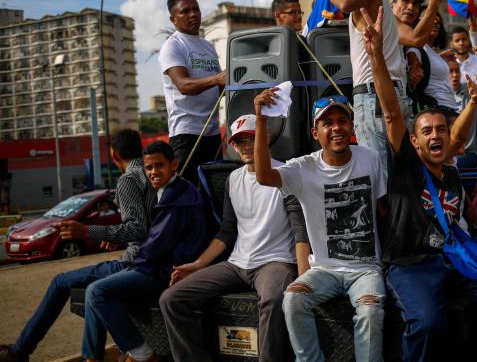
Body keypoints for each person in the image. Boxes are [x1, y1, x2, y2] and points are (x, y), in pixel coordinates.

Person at [360, 6, 477, 361]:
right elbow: (391, 110)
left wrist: (472, 102)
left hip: (454, 258)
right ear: (414, 142)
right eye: (426, 131)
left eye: (440, 129)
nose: (435, 135)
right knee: (428, 323)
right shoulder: (406, 166)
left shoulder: (454, 174)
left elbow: (460, 139)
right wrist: (376, 54)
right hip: (413, 266)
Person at [253, 90, 388, 362]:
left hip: (366, 269)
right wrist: (261, 120)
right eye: (328, 123)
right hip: (324, 270)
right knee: (292, 299)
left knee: (370, 311)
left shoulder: (370, 157)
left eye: (342, 120)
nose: (336, 127)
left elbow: (383, 211)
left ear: (351, 126)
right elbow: (264, 176)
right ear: (316, 133)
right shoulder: (303, 168)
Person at [159, 115, 306, 362]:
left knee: (273, 299)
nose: (246, 145)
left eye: (251, 138)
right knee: (171, 299)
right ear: (233, 146)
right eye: (239, 141)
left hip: (275, 262)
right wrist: (197, 265)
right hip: (237, 263)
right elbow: (227, 231)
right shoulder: (233, 179)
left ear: (265, 138)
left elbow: (300, 229)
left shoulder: (285, 173)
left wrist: (304, 274)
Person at [0, 130, 155, 362]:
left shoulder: (128, 179)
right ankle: (90, 357)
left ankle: (20, 351)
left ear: (114, 155)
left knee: (60, 282)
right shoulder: (150, 175)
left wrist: (87, 231)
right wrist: (116, 237)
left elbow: (138, 229)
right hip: (145, 256)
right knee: (93, 288)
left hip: (134, 262)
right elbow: (146, 226)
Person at [82, 141, 210, 362]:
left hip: (166, 271)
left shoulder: (178, 196)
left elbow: (157, 243)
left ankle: (142, 355)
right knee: (92, 292)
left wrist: (132, 262)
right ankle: (93, 358)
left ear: (174, 165)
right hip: (157, 264)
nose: (153, 172)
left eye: (159, 166)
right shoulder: (169, 190)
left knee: (97, 292)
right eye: (149, 168)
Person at [310, 0, 411, 169]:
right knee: (399, 172)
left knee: (378, 175)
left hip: (374, 96)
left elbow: (345, 2)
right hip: (391, 93)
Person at [158, 0, 225, 186]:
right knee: (189, 196)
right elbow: (183, 85)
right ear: (173, 19)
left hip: (212, 133)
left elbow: (219, 87)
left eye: (196, 9)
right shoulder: (172, 46)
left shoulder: (208, 46)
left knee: (212, 195)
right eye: (185, 11)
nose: (193, 14)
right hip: (187, 134)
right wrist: (218, 79)